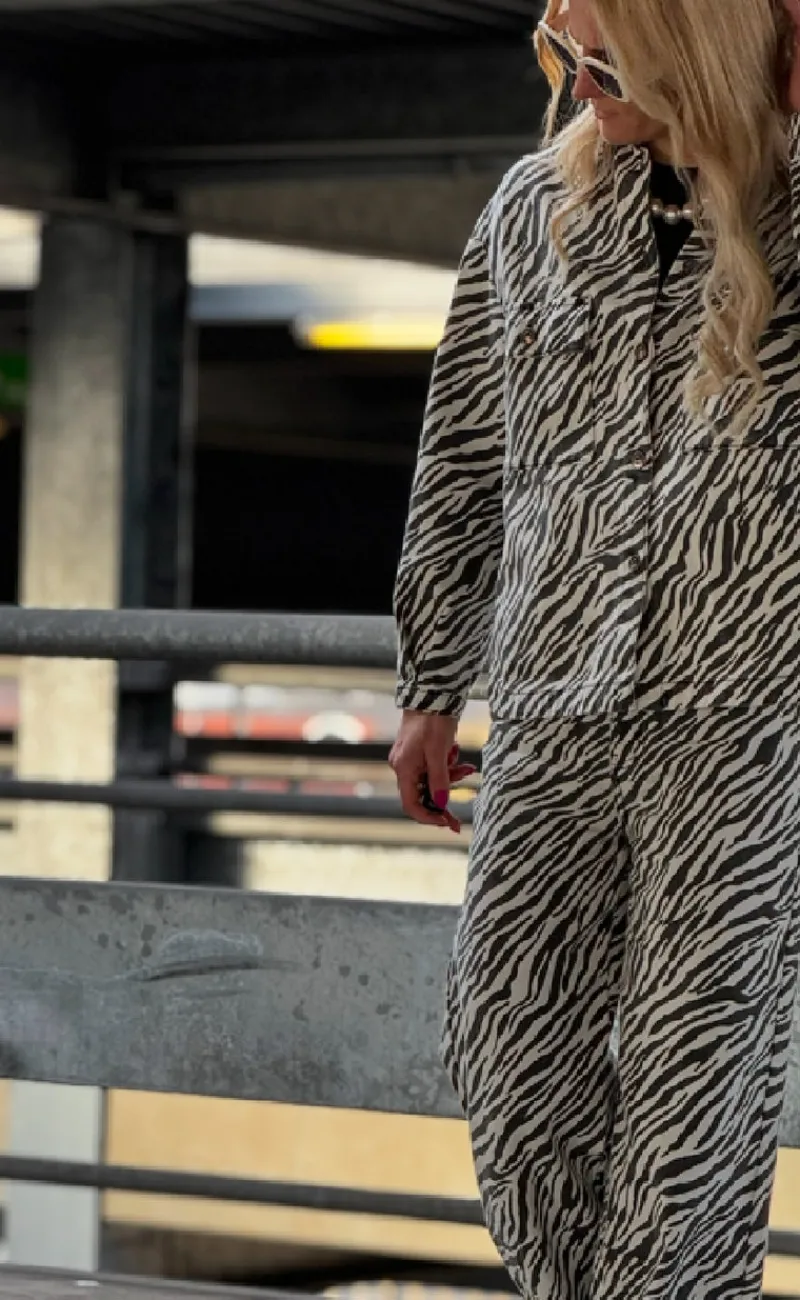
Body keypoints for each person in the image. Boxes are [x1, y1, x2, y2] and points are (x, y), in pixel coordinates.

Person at [389, 0, 800, 1297]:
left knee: (694, 1089)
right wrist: (430, 683)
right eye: (560, 54)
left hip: (742, 724)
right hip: (552, 701)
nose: (575, 84)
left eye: (603, 59)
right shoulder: (531, 211)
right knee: (505, 1046)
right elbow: (465, 455)